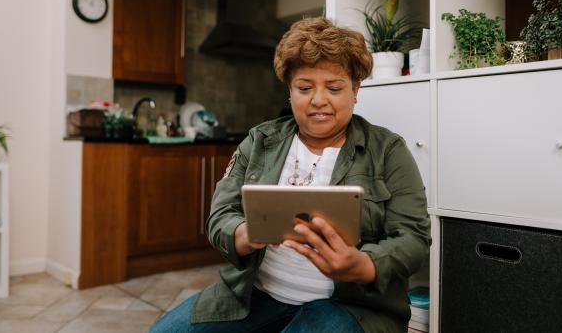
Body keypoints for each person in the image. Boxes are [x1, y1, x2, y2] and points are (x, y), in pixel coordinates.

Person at [150, 17, 430, 333]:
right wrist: (244, 233)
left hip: (352, 306)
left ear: (355, 90)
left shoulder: (388, 150)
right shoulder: (259, 142)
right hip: (255, 296)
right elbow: (220, 216)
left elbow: (414, 239)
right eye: (305, 87)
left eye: (334, 87)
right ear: (290, 91)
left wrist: (363, 265)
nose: (318, 100)